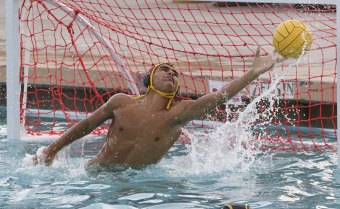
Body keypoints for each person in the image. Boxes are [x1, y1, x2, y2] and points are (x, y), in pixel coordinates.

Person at [33, 47, 282, 168]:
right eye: (165, 69)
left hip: (139, 188)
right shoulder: (121, 102)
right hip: (96, 176)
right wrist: (51, 151)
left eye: (175, 74)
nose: (171, 74)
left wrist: (253, 72)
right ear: (149, 77)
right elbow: (86, 125)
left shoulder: (178, 114)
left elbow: (220, 97)